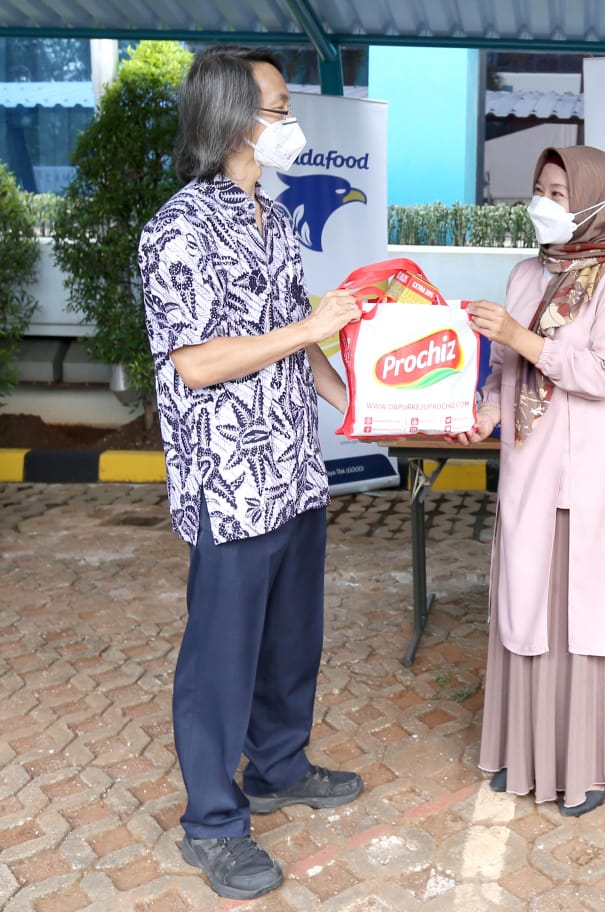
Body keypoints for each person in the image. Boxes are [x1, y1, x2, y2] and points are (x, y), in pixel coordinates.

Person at [138, 46, 365, 900]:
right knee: (219, 659)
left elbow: (289, 339)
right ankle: (212, 820)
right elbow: (196, 364)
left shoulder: (268, 218)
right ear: (234, 117)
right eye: (276, 107)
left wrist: (356, 404)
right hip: (230, 480)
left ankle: (276, 766)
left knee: (291, 639)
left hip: (294, 469)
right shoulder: (178, 229)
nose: (288, 122)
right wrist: (310, 332)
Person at [455, 146, 605, 817]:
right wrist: (477, 414)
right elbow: (502, 375)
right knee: (528, 609)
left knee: (586, 618)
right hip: (530, 470)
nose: (543, 202)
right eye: (539, 188)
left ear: (597, 200)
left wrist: (524, 336)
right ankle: (526, 754)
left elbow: (604, 373)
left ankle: (589, 762)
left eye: (560, 192)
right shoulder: (522, 275)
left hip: (590, 476)